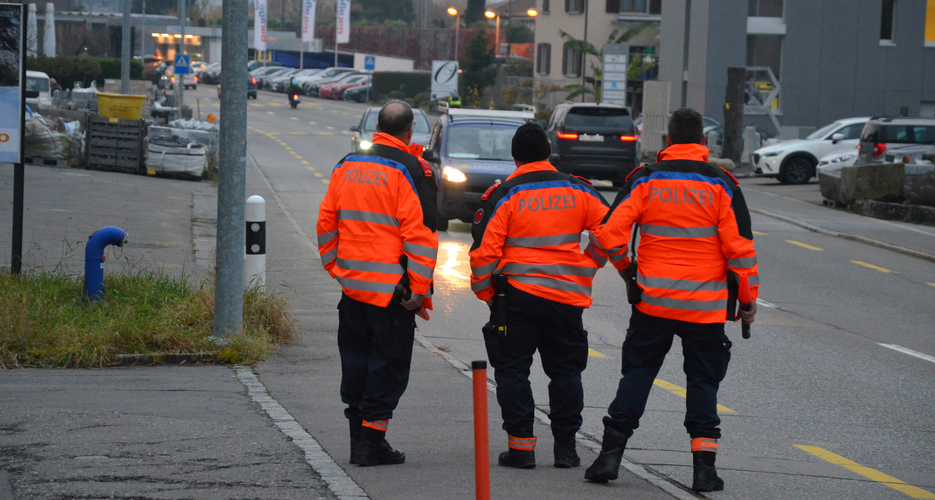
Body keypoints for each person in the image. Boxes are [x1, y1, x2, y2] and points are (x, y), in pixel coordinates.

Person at [584, 107, 759, 492]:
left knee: (639, 374)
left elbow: (609, 234)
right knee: (702, 382)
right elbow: (740, 253)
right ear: (702, 142)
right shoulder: (723, 184)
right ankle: (703, 470)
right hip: (706, 309)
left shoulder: (645, 180)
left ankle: (609, 456)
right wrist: (747, 301)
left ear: (667, 141)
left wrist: (629, 271)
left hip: (653, 303)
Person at [469, 123, 612, 469]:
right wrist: (589, 264)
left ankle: (521, 449)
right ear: (549, 154)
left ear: (515, 158)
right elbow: (612, 233)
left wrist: (488, 294)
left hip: (516, 299)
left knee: (513, 372)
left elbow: (483, 255)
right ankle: (566, 450)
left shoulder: (505, 193)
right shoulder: (579, 190)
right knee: (565, 374)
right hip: (566, 300)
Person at [316, 100, 440, 467]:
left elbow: (326, 221)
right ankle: (371, 444)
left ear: (377, 128)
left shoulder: (347, 164)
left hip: (352, 289)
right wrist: (419, 289)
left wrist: (335, 268)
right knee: (387, 368)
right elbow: (422, 235)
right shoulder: (414, 169)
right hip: (391, 294)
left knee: (355, 364)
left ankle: (359, 443)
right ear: (410, 132)